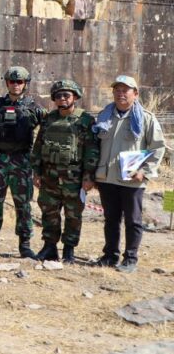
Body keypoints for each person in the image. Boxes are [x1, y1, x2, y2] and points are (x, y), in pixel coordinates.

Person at [92, 75, 166, 273]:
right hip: (107, 178)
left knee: (133, 221)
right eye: (117, 90)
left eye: (125, 90)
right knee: (111, 219)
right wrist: (93, 173)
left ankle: (130, 258)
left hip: (132, 179)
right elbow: (95, 146)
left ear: (136, 93)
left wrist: (145, 171)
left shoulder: (146, 118)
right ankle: (110, 256)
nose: (120, 94)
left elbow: (158, 147)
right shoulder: (105, 116)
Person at [0, 66, 46, 258]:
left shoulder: (35, 108)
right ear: (7, 83)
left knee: (23, 204)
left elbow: (45, 134)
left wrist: (39, 165)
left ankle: (24, 245)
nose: (15, 85)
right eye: (12, 81)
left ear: (25, 84)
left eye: (19, 82)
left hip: (22, 161)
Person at [31, 79, 99, 264]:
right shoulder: (48, 119)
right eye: (58, 95)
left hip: (73, 177)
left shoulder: (85, 120)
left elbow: (91, 150)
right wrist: (36, 172)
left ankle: (69, 250)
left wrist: (88, 176)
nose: (62, 98)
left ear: (75, 97)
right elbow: (38, 146)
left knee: (73, 215)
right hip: (49, 176)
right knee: (49, 212)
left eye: (66, 95)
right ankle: (49, 247)